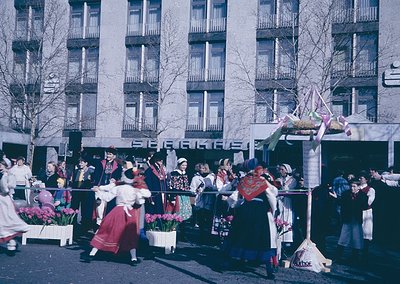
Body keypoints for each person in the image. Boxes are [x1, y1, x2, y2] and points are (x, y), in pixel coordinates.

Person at [225, 160, 278, 280]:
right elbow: (271, 195)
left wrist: (233, 205)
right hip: (260, 212)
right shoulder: (262, 181)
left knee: (240, 235)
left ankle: (233, 260)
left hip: (245, 209)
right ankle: (268, 270)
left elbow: (234, 197)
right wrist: (273, 209)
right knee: (261, 238)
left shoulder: (244, 181)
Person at [89, 166, 151, 265]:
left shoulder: (118, 188)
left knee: (106, 231)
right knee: (131, 234)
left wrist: (98, 191)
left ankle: (92, 253)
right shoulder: (135, 190)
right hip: (129, 213)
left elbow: (107, 197)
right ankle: (133, 258)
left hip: (117, 211)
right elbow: (139, 201)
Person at [330, 180, 368, 263]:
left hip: (357, 219)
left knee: (356, 237)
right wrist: (336, 198)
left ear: (358, 187)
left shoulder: (363, 195)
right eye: (351, 186)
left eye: (354, 186)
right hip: (347, 218)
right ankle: (338, 255)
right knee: (343, 236)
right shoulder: (346, 194)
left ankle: (355, 257)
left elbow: (364, 206)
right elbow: (342, 203)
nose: (352, 188)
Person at [0, 160, 30, 256]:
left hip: (4, 200)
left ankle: (11, 241)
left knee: (8, 219)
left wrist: (4, 177)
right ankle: (10, 241)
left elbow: (6, 189)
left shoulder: (9, 175)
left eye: (1, 165)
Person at [93, 146, 122, 225]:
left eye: (110, 154)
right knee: (99, 207)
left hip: (111, 188)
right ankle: (98, 225)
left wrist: (115, 180)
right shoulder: (100, 163)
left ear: (114, 156)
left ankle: (108, 225)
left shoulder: (118, 166)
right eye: (107, 154)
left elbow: (119, 177)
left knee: (109, 207)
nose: (108, 156)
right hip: (100, 187)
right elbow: (96, 175)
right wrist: (95, 185)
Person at [190, 163, 216, 243]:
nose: (203, 170)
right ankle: (201, 237)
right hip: (200, 201)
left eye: (205, 168)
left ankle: (208, 237)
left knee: (209, 221)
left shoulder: (212, 177)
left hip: (209, 201)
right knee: (201, 221)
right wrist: (196, 191)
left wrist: (211, 189)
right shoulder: (195, 178)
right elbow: (192, 189)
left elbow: (216, 187)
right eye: (202, 168)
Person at [168, 158, 192, 241]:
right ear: (179, 165)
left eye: (185, 165)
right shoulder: (174, 173)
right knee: (177, 214)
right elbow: (173, 186)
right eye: (182, 165)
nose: (184, 167)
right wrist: (173, 197)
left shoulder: (186, 173)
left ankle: (183, 233)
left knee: (184, 215)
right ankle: (175, 233)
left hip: (185, 196)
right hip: (178, 196)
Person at [71, 157, 95, 235]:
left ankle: (85, 226)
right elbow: (73, 181)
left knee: (85, 210)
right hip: (77, 192)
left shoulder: (91, 171)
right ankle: (73, 225)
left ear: (86, 163)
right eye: (79, 162)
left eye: (82, 162)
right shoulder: (76, 171)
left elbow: (92, 181)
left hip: (86, 192)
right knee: (75, 208)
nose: (80, 164)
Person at [275, 163, 297, 250]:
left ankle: (287, 241)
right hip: (279, 200)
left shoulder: (292, 180)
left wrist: (283, 185)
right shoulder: (278, 179)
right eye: (280, 169)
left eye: (282, 169)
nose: (281, 171)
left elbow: (288, 190)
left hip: (288, 201)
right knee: (279, 216)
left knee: (288, 218)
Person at [359, 171, 375, 258]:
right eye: (359, 178)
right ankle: (356, 252)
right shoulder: (356, 188)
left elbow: (368, 202)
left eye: (361, 178)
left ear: (366, 180)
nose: (359, 179)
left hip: (366, 212)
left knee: (366, 232)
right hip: (357, 212)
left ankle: (365, 252)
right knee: (358, 231)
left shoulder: (370, 190)